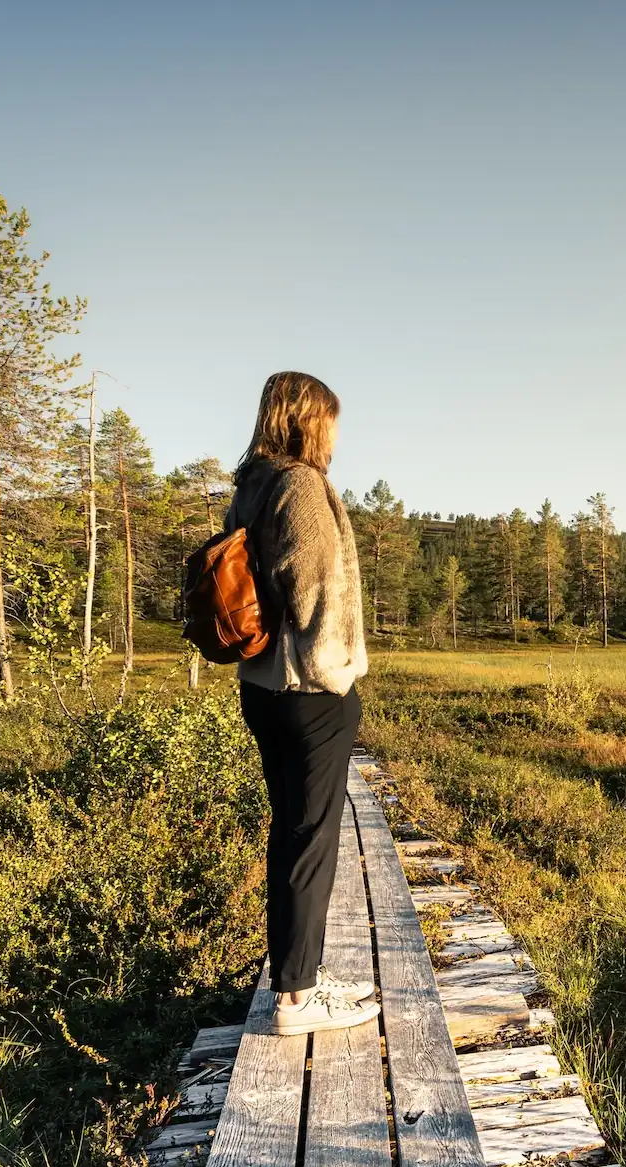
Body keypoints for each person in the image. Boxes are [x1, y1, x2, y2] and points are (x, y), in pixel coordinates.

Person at [227, 371, 381, 1035]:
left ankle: (299, 979)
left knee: (289, 833)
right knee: (310, 840)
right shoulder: (299, 484)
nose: (337, 433)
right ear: (307, 419)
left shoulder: (250, 488)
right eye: (332, 419)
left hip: (263, 688)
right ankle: (296, 1000)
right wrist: (336, 674)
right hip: (309, 690)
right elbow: (315, 588)